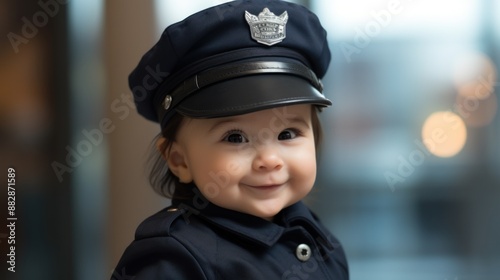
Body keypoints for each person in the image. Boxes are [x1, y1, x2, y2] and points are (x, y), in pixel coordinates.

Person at [111, 0, 349, 279]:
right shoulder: (173, 259)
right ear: (179, 160)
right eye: (235, 137)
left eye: (287, 134)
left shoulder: (318, 237)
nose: (269, 160)